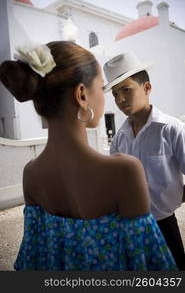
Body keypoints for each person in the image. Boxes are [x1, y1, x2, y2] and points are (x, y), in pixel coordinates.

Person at [0, 41, 177, 271]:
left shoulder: (31, 175)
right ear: (82, 95)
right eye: (103, 88)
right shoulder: (124, 171)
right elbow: (149, 270)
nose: (113, 99)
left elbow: (32, 266)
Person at [103, 51, 185, 270]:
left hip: (165, 224)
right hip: (129, 226)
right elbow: (114, 181)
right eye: (115, 93)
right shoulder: (120, 137)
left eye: (126, 90)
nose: (120, 99)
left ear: (147, 88)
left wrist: (176, 195)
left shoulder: (170, 129)